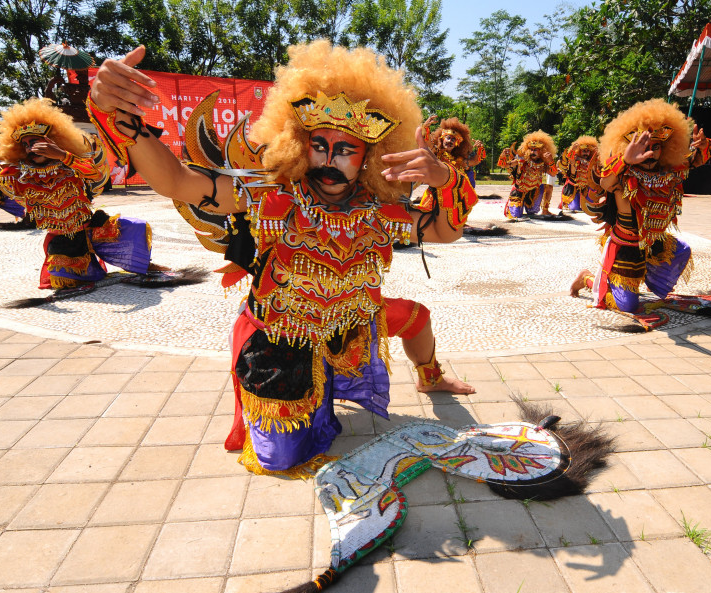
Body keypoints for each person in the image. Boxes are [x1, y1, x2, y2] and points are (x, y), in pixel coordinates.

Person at [88, 40, 477, 474]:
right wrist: (122, 122)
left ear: (369, 155)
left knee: (416, 317)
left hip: (350, 321)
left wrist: (446, 179)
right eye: (319, 144)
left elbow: (445, 230)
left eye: (346, 149)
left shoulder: (377, 206)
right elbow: (178, 180)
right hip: (282, 335)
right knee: (285, 458)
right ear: (298, 142)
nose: (330, 159)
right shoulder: (269, 193)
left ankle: (431, 377)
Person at [0, 98, 169, 291]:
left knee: (136, 228)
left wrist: (62, 155)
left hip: (92, 228)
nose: (31, 148)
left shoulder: (71, 165)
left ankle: (144, 265)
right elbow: (6, 187)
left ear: (53, 140)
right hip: (62, 241)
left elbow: (94, 173)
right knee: (71, 280)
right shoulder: (21, 176)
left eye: (34, 141)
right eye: (25, 145)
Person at [569, 99, 711, 311]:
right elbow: (605, 183)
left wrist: (702, 146)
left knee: (681, 251)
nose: (650, 153)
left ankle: (643, 277)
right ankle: (588, 279)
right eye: (643, 146)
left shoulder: (668, 171)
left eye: (655, 147)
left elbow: (694, 161)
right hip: (625, 246)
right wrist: (626, 160)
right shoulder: (622, 172)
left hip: (653, 241)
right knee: (628, 305)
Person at [503, 131, 557, 218]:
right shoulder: (522, 160)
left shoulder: (543, 163)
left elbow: (553, 174)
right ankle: (516, 206)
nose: (533, 152)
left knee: (548, 187)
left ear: (541, 151)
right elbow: (505, 165)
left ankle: (545, 210)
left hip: (533, 193)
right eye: (531, 149)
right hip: (519, 192)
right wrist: (503, 156)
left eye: (535, 150)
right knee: (516, 216)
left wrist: (551, 161)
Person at [556, 135, 598, 213]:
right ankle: (566, 203)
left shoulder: (592, 163)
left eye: (588, 151)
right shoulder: (575, 161)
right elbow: (571, 164)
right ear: (579, 151)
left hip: (587, 188)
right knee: (575, 208)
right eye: (584, 151)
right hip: (574, 188)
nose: (586, 153)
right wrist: (572, 151)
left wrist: (597, 154)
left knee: (590, 208)